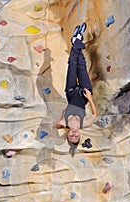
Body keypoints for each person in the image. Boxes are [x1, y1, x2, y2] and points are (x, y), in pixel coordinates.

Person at [56, 23, 97, 156]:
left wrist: (63, 109)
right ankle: (76, 41)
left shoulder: (64, 123)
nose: (73, 135)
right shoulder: (84, 124)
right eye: (76, 137)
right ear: (79, 135)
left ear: (67, 136)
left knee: (72, 65)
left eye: (71, 137)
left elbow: (56, 124)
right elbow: (95, 114)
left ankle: (77, 41)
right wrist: (90, 98)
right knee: (82, 66)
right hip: (85, 94)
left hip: (71, 91)